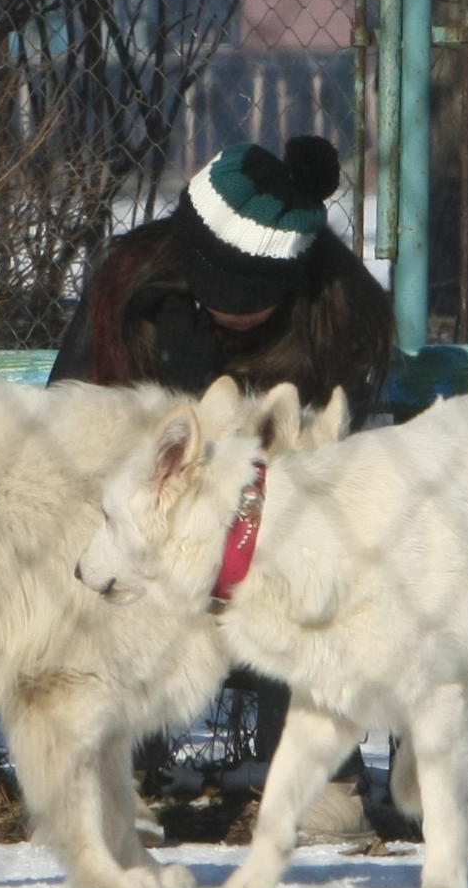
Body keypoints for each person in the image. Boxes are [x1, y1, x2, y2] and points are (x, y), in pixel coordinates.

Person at [52, 136, 403, 827]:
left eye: (246, 302)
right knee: (133, 549)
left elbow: (329, 475)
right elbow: (70, 423)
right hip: (154, 530)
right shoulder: (131, 284)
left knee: (301, 557)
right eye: (215, 293)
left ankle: (316, 774)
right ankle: (123, 765)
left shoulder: (337, 310)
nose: (229, 313)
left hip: (270, 542)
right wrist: (172, 387)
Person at [49, 136, 396, 425]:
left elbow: (313, 450)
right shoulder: (130, 280)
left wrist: (200, 391)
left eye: (263, 293)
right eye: (221, 289)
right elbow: (66, 417)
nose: (243, 313)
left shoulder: (339, 307)